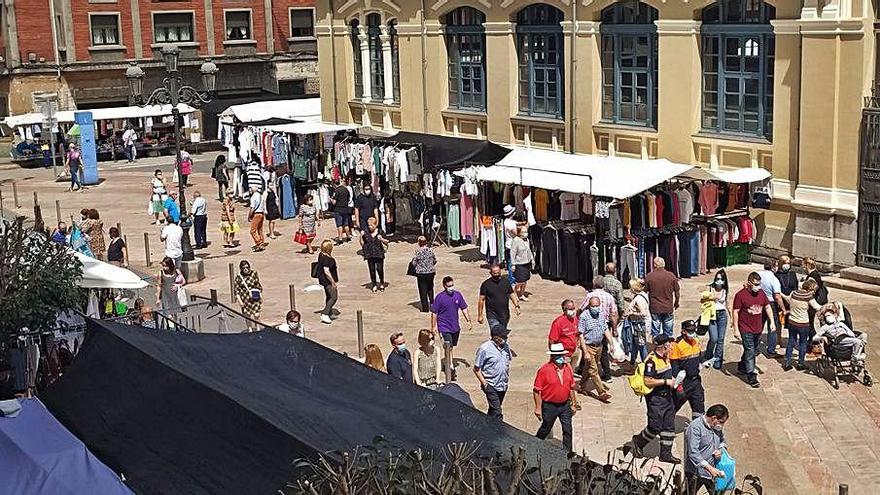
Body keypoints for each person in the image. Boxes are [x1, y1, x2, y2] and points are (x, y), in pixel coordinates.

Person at [628, 335, 682, 463]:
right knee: (655, 426)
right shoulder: (651, 361)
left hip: (668, 398)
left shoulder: (665, 357)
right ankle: (638, 441)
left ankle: (666, 454)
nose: (671, 347)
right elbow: (648, 381)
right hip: (656, 399)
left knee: (669, 426)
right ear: (664, 346)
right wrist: (665, 382)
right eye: (669, 344)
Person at [733, 271, 776, 388]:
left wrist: (772, 322)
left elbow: (767, 307)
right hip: (745, 327)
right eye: (755, 284)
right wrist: (736, 329)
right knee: (750, 350)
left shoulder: (761, 294)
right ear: (749, 283)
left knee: (753, 349)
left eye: (759, 284)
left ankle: (742, 366)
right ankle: (751, 375)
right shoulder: (740, 295)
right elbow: (735, 312)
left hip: (758, 327)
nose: (758, 286)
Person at [533, 343, 579, 452]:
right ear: (552, 357)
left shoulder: (567, 368)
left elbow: (571, 387)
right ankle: (535, 444)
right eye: (557, 356)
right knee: (546, 428)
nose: (560, 358)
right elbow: (536, 390)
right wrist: (538, 407)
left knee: (567, 429)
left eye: (561, 355)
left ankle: (567, 453)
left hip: (564, 405)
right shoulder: (544, 370)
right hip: (550, 406)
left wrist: (574, 403)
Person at [431, 276, 472, 381]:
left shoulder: (458, 295)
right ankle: (450, 367)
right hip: (444, 327)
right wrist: (433, 326)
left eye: (452, 285)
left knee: (451, 346)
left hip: (455, 327)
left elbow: (464, 308)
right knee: (448, 346)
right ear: (444, 286)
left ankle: (448, 362)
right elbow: (434, 313)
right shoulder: (439, 298)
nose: (451, 287)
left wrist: (469, 320)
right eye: (449, 286)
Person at [685, 404, 729, 494]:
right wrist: (709, 468)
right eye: (721, 421)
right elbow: (693, 452)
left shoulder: (716, 427)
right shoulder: (695, 427)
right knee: (690, 492)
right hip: (696, 472)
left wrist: (721, 449)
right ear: (713, 418)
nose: (722, 425)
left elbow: (723, 441)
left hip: (713, 470)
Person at [582, 277, 618, 383]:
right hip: (605, 323)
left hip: (594, 325)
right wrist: (614, 328)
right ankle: (606, 374)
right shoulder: (609, 297)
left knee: (591, 347)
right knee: (603, 351)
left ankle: (599, 385)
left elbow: (582, 308)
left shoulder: (590, 296)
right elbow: (614, 313)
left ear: (594, 284)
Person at [578, 296, 613, 403]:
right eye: (593, 306)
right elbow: (581, 335)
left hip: (599, 346)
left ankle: (581, 386)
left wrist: (611, 343)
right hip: (589, 346)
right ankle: (601, 392)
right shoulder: (584, 316)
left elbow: (605, 329)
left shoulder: (601, 315)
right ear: (589, 306)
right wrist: (585, 352)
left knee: (588, 367)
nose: (596, 308)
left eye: (597, 306)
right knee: (594, 370)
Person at [474, 325, 512, 420]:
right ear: (496, 338)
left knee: (493, 410)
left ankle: (486, 427)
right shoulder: (485, 349)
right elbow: (476, 368)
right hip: (491, 385)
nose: (506, 338)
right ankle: (500, 432)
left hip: (502, 384)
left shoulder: (506, 347)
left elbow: (508, 361)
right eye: (503, 336)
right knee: (497, 412)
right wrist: (484, 383)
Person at [782, 279, 822, 371]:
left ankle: (787, 362)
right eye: (814, 290)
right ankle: (800, 363)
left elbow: (788, 299)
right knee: (803, 343)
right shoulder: (808, 296)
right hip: (803, 323)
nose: (814, 292)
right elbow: (817, 307)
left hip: (792, 321)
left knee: (791, 341)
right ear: (810, 288)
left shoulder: (794, 293)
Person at [671, 320, 706, 419]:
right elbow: (675, 367)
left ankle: (697, 429)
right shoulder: (676, 345)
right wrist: (679, 387)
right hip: (683, 382)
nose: (692, 333)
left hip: (696, 381)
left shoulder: (696, 341)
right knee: (673, 407)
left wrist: (702, 363)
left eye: (694, 330)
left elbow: (699, 357)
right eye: (689, 331)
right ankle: (663, 426)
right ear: (683, 331)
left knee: (699, 407)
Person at [644, 257, 680, 339]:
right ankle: (668, 348)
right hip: (668, 307)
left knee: (656, 331)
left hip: (655, 307)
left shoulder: (649, 276)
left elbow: (645, 291)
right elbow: (677, 291)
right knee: (668, 331)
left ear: (655, 265)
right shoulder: (671, 276)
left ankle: (657, 347)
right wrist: (677, 302)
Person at [478, 264, 521, 333]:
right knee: (496, 334)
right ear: (491, 273)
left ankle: (503, 343)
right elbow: (481, 300)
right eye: (495, 273)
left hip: (504, 314)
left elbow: (511, 294)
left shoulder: (506, 282)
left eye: (498, 273)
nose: (497, 274)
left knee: (502, 334)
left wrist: (516, 306)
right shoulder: (486, 285)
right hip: (492, 314)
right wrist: (480, 315)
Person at [757, 260, 785, 358]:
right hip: (770, 303)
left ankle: (755, 347)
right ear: (773, 267)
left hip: (759, 302)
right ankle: (771, 350)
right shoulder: (774, 279)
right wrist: (783, 309)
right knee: (772, 326)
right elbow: (777, 296)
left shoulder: (758, 274)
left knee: (758, 325)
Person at [704, 270, 730, 370]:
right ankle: (708, 354)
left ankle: (718, 359)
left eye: (721, 279)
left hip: (722, 315)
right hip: (712, 315)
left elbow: (727, 303)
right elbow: (703, 301)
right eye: (717, 279)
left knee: (721, 339)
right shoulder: (710, 288)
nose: (719, 281)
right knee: (714, 338)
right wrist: (710, 298)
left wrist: (731, 317)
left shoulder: (725, 290)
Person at [548, 299, 581, 373]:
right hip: (564, 354)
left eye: (573, 308)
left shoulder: (575, 319)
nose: (573, 310)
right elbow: (552, 340)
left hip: (574, 351)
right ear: (564, 310)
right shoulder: (558, 323)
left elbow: (578, 334)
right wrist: (555, 356)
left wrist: (578, 345)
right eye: (570, 309)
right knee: (563, 373)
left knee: (571, 374)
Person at [359, 217, 389, 292]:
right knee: (371, 269)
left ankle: (382, 282)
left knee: (379, 269)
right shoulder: (365, 232)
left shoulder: (380, 231)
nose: (370, 227)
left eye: (372, 225)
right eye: (369, 225)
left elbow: (387, 241)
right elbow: (362, 244)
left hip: (379, 253)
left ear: (375, 225)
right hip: (369, 253)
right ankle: (374, 284)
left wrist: (381, 239)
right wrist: (361, 236)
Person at [624, 279, 650, 366]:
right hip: (637, 324)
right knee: (635, 345)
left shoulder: (639, 299)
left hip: (639, 325)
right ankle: (632, 364)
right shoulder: (642, 295)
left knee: (641, 346)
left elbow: (643, 313)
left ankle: (646, 365)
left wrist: (631, 313)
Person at [155, 257, 185, 327]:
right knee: (169, 315)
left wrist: (177, 285)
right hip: (166, 295)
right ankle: (172, 328)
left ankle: (175, 326)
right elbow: (159, 286)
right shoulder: (161, 273)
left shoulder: (176, 271)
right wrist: (158, 299)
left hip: (174, 295)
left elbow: (183, 281)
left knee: (174, 313)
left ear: (170, 265)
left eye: (166, 266)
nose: (164, 268)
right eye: (163, 266)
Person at [234, 260, 263, 332]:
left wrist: (260, 295)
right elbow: (236, 290)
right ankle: (250, 329)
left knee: (256, 314)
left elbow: (258, 285)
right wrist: (239, 301)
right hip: (245, 299)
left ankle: (258, 327)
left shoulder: (254, 273)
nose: (246, 269)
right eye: (244, 268)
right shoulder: (238, 277)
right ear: (241, 268)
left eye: (247, 267)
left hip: (254, 297)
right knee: (247, 315)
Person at [412, 236, 437, 312]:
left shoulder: (418, 251)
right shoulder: (430, 250)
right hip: (430, 272)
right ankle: (432, 304)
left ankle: (425, 308)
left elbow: (414, 263)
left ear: (419, 243)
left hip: (421, 273)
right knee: (430, 288)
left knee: (423, 290)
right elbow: (435, 260)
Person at [316, 240, 339, 324]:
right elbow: (326, 271)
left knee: (329, 296)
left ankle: (329, 312)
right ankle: (325, 313)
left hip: (323, 280)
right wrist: (333, 282)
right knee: (334, 297)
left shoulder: (321, 255)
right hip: (327, 281)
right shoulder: (327, 259)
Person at [509, 226, 534, 301]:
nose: (525, 233)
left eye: (526, 231)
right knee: (520, 281)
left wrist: (532, 259)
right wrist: (513, 264)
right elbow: (512, 253)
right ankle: (514, 292)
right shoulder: (516, 240)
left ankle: (522, 294)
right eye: (523, 232)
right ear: (519, 232)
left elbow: (529, 250)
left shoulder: (527, 240)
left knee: (525, 280)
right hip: (519, 263)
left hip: (527, 262)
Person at [331, 177, 354, 244]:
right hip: (345, 209)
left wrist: (331, 199)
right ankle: (348, 237)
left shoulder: (336, 191)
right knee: (346, 224)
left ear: (334, 184)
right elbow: (349, 199)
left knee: (339, 225)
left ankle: (340, 239)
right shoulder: (346, 190)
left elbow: (334, 202)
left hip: (338, 209)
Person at [502, 205, 518, 285]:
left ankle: (511, 279)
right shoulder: (511, 223)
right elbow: (516, 233)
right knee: (512, 263)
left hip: (508, 244)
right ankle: (512, 281)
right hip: (512, 245)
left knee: (509, 262)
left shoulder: (505, 222)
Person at [264, 165, 281, 239]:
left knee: (273, 220)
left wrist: (277, 198)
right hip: (269, 205)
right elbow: (264, 200)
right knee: (272, 220)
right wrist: (265, 209)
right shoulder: (266, 175)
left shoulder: (273, 175)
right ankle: (271, 233)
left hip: (273, 204)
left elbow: (274, 185)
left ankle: (272, 232)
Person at [248, 184, 266, 252]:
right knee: (260, 230)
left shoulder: (253, 197)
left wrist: (249, 216)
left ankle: (259, 243)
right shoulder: (260, 195)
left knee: (252, 231)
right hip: (262, 214)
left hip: (257, 214)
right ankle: (262, 242)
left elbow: (252, 208)